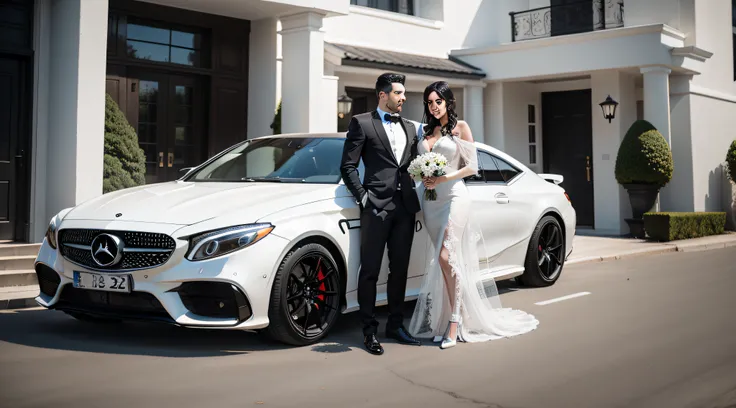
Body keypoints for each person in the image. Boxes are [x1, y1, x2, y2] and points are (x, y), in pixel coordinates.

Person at [408, 81, 540, 349]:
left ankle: (455, 323)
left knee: (448, 256)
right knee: (442, 263)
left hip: (455, 197)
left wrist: (444, 176)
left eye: (438, 101)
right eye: (430, 102)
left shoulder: (461, 128)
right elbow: (417, 168)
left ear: (448, 101)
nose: (434, 107)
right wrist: (423, 176)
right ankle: (449, 317)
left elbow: (472, 168)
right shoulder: (424, 132)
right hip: (431, 202)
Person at [340, 73, 423, 356]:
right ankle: (369, 331)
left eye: (404, 93)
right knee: (370, 271)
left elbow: (414, 164)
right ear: (382, 95)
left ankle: (396, 326)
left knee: (399, 269)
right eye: (398, 93)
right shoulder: (361, 123)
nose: (403, 98)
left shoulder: (411, 128)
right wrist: (364, 197)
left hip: (405, 207)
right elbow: (348, 166)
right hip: (375, 206)